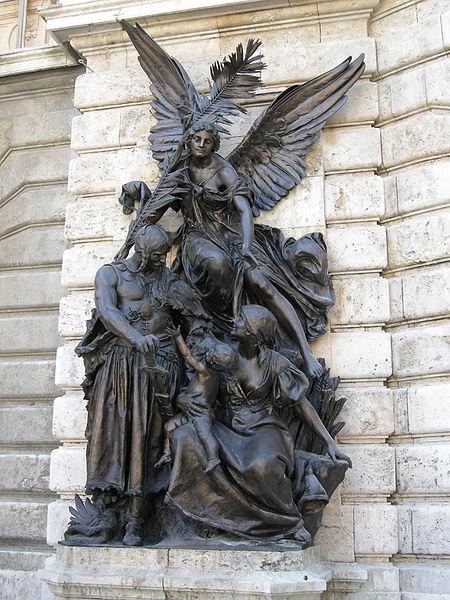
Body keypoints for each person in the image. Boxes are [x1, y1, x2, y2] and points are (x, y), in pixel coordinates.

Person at [143, 119, 333, 377]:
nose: (201, 144)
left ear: (214, 144)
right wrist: (140, 223)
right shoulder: (179, 171)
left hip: (233, 235)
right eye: (197, 139)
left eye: (208, 141)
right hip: (197, 236)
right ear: (188, 140)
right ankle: (225, 327)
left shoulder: (222, 170)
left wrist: (245, 246)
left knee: (262, 283)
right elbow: (156, 208)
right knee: (216, 262)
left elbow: (244, 210)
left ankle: (305, 353)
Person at [167, 305, 351, 545]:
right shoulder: (223, 354)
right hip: (227, 426)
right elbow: (200, 386)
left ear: (254, 335)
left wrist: (329, 442)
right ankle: (218, 518)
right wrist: (182, 400)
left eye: (241, 319)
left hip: (263, 428)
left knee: (262, 465)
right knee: (183, 437)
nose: (235, 320)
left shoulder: (275, 363)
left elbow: (301, 405)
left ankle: (288, 523)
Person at [71, 224, 209, 546]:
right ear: (142, 250)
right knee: (115, 438)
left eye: (164, 254)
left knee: (149, 442)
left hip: (160, 370)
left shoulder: (168, 281)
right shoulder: (110, 274)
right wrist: (135, 337)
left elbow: (196, 318)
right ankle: (109, 509)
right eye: (158, 255)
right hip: (120, 368)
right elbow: (107, 310)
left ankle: (138, 519)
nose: (163, 259)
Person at [155, 326, 238, 473]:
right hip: (190, 411)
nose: (208, 353)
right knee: (169, 426)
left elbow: (187, 355)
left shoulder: (205, 372)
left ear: (214, 363)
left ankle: (214, 458)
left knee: (205, 435)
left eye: (211, 354)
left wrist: (178, 337)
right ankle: (167, 453)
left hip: (201, 413)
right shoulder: (213, 375)